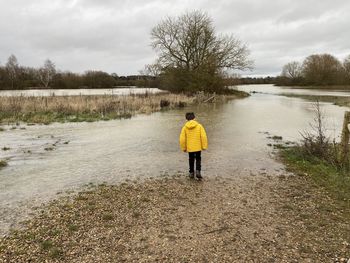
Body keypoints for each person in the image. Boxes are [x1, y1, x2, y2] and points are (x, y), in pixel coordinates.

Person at [179, 112, 208, 179]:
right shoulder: (199, 126)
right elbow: (203, 136)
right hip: (198, 147)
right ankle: (198, 171)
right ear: (194, 118)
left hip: (190, 147)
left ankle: (191, 173)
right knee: (198, 158)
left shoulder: (185, 128)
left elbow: (182, 139)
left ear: (186, 119)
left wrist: (184, 148)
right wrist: (204, 146)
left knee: (191, 159)